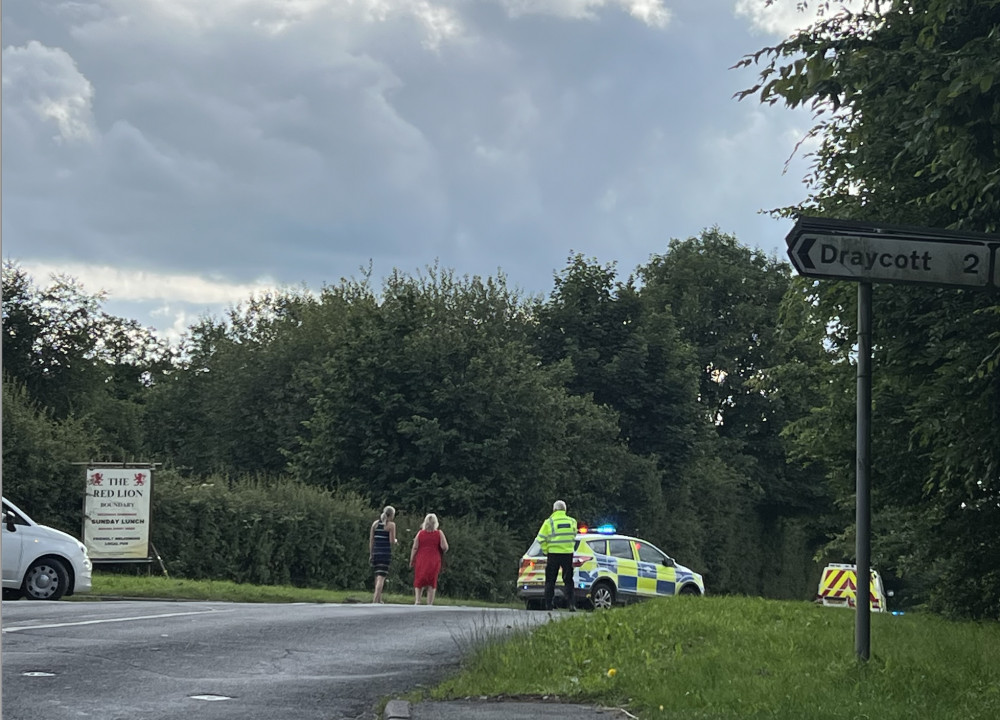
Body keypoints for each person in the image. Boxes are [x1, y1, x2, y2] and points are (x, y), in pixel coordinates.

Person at [536, 500, 578, 611]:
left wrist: (546, 550)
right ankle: (571, 604)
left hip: (553, 555)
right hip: (567, 554)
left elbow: (540, 539)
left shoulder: (548, 522)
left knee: (550, 580)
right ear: (565, 510)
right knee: (568, 580)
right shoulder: (572, 522)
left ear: (554, 509)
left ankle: (549, 605)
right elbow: (574, 535)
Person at [409, 513, 449, 605]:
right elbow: (445, 547)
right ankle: (429, 603)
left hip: (421, 558)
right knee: (432, 580)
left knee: (419, 578)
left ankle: (418, 600)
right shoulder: (439, 533)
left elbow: (415, 547)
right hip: (434, 559)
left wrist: (412, 560)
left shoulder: (420, 533)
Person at [369, 505, 397, 604]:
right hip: (385, 552)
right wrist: (396, 541)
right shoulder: (391, 525)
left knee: (377, 575)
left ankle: (378, 598)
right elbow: (392, 541)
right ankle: (375, 600)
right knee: (381, 577)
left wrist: (371, 553)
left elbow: (372, 540)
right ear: (392, 515)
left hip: (376, 551)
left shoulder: (375, 524)